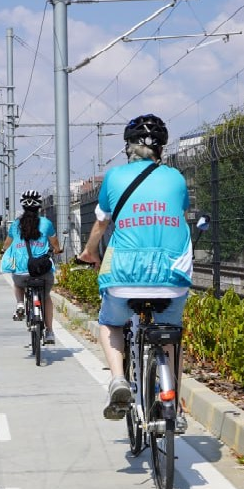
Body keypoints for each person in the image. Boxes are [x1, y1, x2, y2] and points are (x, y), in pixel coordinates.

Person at [76, 114, 192, 428]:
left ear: (128, 147)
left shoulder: (114, 178)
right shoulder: (176, 179)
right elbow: (179, 214)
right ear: (161, 150)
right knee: (171, 336)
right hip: (173, 277)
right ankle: (174, 403)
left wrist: (88, 253)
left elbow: (101, 224)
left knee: (110, 324)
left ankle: (117, 381)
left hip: (124, 275)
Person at [1, 190, 63, 345]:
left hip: (22, 272)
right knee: (47, 297)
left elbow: (6, 245)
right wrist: (56, 249)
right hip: (43, 271)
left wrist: (4, 250)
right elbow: (55, 246)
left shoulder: (15, 225)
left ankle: (20, 303)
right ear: (39, 206)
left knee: (17, 282)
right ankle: (49, 332)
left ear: (23, 206)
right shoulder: (46, 224)